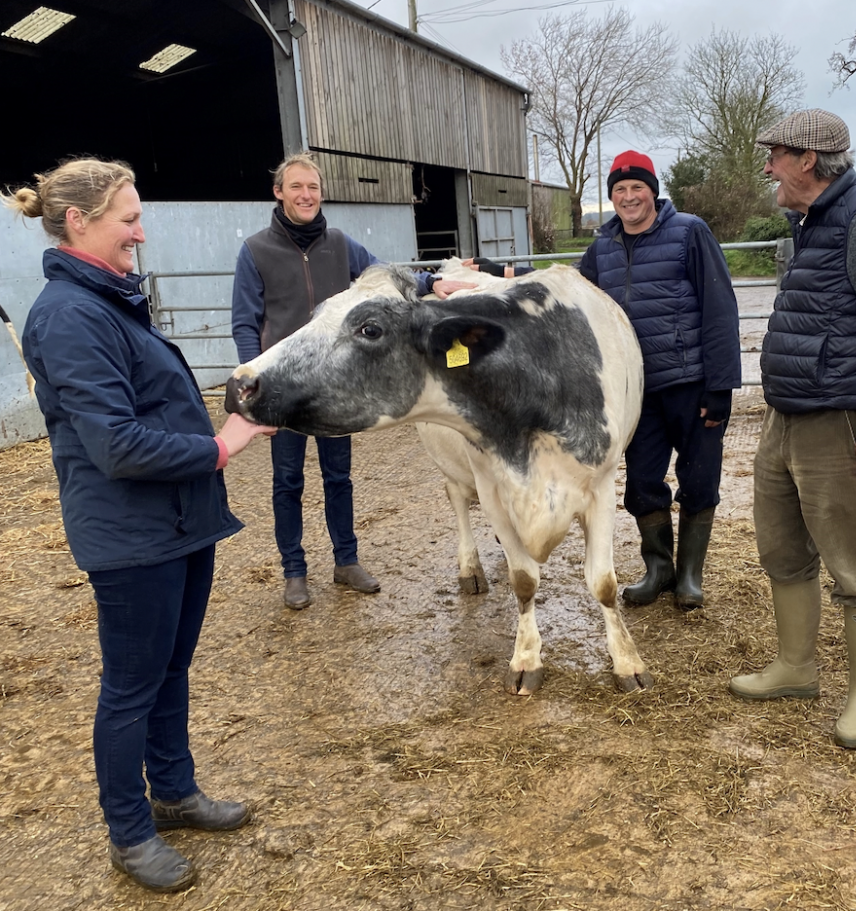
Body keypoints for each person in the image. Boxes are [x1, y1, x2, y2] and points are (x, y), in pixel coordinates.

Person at [5, 157, 276, 892]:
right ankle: (129, 832)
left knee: (170, 669)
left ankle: (176, 792)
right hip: (130, 537)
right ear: (79, 223)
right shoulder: (67, 316)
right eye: (128, 219)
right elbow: (116, 445)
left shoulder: (110, 301)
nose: (141, 232)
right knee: (130, 686)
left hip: (177, 522)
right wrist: (223, 444)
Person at [728, 110, 856, 749]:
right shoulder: (814, 222)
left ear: (808, 160)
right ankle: (796, 668)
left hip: (839, 423)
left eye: (776, 155)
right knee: (782, 547)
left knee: (853, 560)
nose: (768, 167)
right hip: (786, 418)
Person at [470, 151, 741, 609]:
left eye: (637, 188)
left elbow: (720, 308)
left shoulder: (689, 233)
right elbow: (566, 290)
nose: (629, 197)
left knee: (698, 477)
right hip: (632, 390)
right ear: (612, 196)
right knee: (642, 482)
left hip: (690, 380)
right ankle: (659, 569)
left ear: (652, 191)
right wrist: (499, 276)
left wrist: (720, 386)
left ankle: (690, 575)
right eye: (620, 190)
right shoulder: (605, 246)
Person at [232, 152, 473, 609]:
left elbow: (386, 276)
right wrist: (254, 389)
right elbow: (245, 322)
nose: (307, 195)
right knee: (287, 481)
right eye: (297, 187)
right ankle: (294, 572)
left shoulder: (340, 244)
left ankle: (346, 561)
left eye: (314, 188)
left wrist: (431, 283)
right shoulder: (256, 250)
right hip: (283, 386)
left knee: (338, 476)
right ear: (278, 192)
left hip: (335, 383)